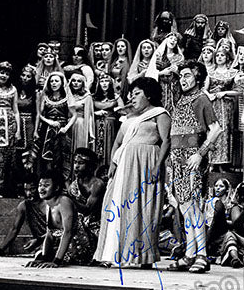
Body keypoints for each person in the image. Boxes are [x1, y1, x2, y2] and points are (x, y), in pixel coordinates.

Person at [94, 77, 170, 270]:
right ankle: (114, 253)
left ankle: (143, 256)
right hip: (124, 165)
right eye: (131, 94)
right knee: (119, 204)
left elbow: (166, 141)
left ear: (149, 95)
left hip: (145, 162)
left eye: (137, 94)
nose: (132, 97)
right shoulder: (130, 118)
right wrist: (113, 162)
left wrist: (157, 166)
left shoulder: (159, 114)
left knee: (143, 206)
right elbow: (118, 142)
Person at [167, 61, 222, 273]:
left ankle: (202, 255)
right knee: (185, 208)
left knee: (195, 207)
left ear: (198, 77)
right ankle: (190, 253)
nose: (183, 79)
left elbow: (216, 129)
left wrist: (200, 153)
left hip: (192, 158)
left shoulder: (201, 99)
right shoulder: (181, 100)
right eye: (181, 76)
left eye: (187, 75)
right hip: (177, 159)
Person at [26, 170, 96, 268]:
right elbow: (49, 234)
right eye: (40, 185)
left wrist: (56, 261)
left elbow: (68, 232)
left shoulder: (64, 201)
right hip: (66, 247)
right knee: (38, 255)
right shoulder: (48, 203)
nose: (41, 188)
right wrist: (43, 258)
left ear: (56, 188)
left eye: (46, 185)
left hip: (78, 247)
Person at [0, 175, 46, 256]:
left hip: (52, 241)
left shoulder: (48, 204)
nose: (28, 193)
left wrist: (39, 240)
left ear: (39, 188)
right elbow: (14, 229)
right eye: (26, 189)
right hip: (40, 245)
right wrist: (0, 251)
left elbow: (57, 231)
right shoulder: (24, 205)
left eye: (32, 189)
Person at [35, 72, 77, 182]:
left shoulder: (67, 97)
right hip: (47, 130)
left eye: (56, 81)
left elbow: (74, 115)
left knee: (61, 158)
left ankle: (60, 183)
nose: (54, 83)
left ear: (62, 83)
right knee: (46, 158)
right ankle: (47, 182)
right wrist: (49, 121)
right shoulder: (45, 97)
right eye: (51, 81)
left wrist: (66, 128)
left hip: (62, 131)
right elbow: (39, 114)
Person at [0, 62, 21, 197]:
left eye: (7, 74)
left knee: (10, 157)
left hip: (10, 125)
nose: (4, 76)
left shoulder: (13, 89)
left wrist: (18, 130)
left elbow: (16, 110)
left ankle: (8, 188)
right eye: (2, 73)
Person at [204, 47, 238, 171]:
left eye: (222, 55)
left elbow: (238, 91)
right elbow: (204, 89)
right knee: (213, 130)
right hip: (213, 105)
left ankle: (224, 163)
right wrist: (209, 95)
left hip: (227, 106)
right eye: (217, 55)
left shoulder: (233, 73)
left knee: (226, 131)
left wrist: (225, 93)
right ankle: (212, 162)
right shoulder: (210, 73)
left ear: (227, 57)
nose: (219, 57)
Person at [67, 148, 106, 240]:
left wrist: (70, 199)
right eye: (75, 162)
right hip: (77, 226)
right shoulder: (73, 186)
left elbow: (87, 210)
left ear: (90, 166)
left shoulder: (97, 184)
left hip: (95, 227)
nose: (76, 166)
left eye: (80, 163)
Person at [145, 31, 184, 113]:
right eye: (171, 38)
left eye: (175, 40)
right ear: (166, 40)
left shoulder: (179, 57)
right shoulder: (158, 56)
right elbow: (150, 73)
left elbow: (182, 73)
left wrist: (176, 71)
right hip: (160, 86)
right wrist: (162, 73)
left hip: (174, 86)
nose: (173, 41)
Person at [14, 65, 38, 189]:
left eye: (28, 76)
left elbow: (37, 113)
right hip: (15, 123)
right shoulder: (14, 90)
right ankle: (16, 184)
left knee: (28, 154)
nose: (25, 78)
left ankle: (28, 185)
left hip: (29, 123)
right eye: (23, 75)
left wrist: (36, 130)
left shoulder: (35, 93)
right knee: (16, 154)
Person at [93, 73, 124, 167]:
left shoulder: (116, 97)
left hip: (111, 125)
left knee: (110, 146)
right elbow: (87, 112)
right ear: (98, 83)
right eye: (102, 81)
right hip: (96, 125)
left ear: (110, 83)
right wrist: (95, 113)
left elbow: (123, 110)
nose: (104, 83)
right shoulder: (93, 97)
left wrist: (116, 111)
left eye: (106, 81)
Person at [67, 72, 96, 152]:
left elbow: (89, 115)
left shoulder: (87, 96)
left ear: (83, 84)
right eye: (74, 81)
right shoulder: (66, 95)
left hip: (80, 124)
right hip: (66, 123)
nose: (76, 83)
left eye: (79, 81)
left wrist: (91, 132)